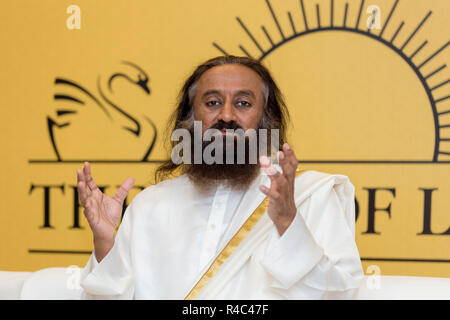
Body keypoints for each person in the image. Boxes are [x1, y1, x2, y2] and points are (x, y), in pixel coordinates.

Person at [78, 55, 363, 299]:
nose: (226, 115)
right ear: (191, 119)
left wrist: (289, 221)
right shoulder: (150, 205)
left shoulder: (308, 195)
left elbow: (341, 293)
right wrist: (105, 243)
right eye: (213, 103)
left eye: (243, 104)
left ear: (265, 118)